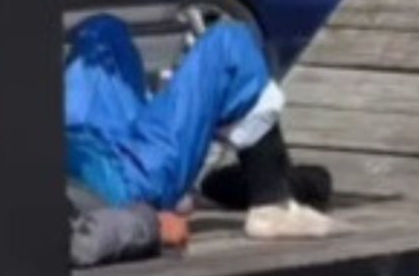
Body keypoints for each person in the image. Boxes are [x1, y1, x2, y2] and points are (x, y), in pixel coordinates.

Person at [64, 14, 339, 243]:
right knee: (228, 45)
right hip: (124, 186)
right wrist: (150, 223)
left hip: (86, 146)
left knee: (102, 32)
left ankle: (215, 160)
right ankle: (273, 204)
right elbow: (78, 242)